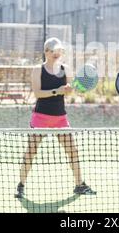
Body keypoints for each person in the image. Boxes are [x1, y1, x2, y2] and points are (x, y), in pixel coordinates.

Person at [15, 37, 96, 198]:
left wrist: (70, 89)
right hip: (40, 118)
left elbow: (69, 90)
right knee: (31, 152)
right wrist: (56, 91)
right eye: (54, 51)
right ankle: (21, 186)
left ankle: (80, 185)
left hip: (60, 118)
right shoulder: (38, 70)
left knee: (72, 151)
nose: (57, 54)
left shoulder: (65, 69)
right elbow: (37, 93)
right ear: (46, 52)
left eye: (59, 51)